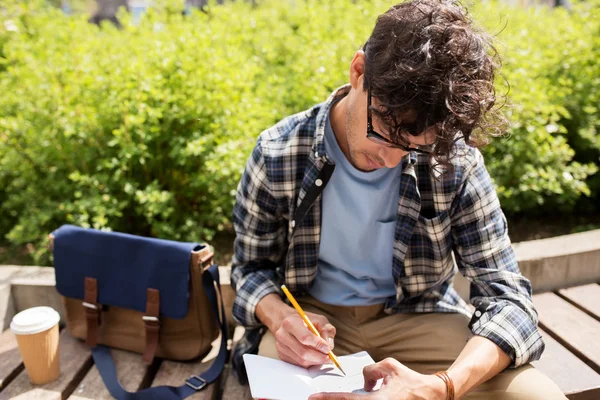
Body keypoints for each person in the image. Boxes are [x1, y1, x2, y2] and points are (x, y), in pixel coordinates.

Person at [230, 0, 566, 398]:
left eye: (413, 149)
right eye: (384, 134)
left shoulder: (455, 163)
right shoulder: (278, 153)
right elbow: (250, 269)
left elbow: (509, 300)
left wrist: (442, 386)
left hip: (418, 318)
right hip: (315, 329)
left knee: (535, 395)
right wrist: (281, 317)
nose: (390, 159)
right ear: (358, 72)